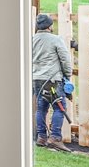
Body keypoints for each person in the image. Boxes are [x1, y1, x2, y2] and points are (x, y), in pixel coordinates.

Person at [31, 12, 73, 147]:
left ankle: (41, 137)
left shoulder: (31, 39)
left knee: (41, 109)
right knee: (59, 108)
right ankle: (55, 137)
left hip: (36, 79)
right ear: (49, 26)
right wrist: (67, 75)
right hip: (53, 80)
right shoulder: (56, 39)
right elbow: (65, 60)